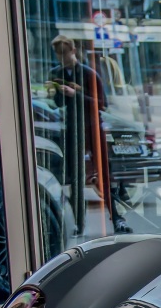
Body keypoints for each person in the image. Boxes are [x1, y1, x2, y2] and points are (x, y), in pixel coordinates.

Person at [48, 35, 129, 234]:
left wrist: (74, 93)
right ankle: (80, 223)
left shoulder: (87, 73)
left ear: (73, 51)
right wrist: (56, 92)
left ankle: (116, 217)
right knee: (75, 177)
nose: (61, 58)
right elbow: (58, 104)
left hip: (91, 127)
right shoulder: (56, 73)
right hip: (73, 128)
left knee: (103, 175)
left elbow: (101, 103)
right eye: (58, 54)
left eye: (64, 53)